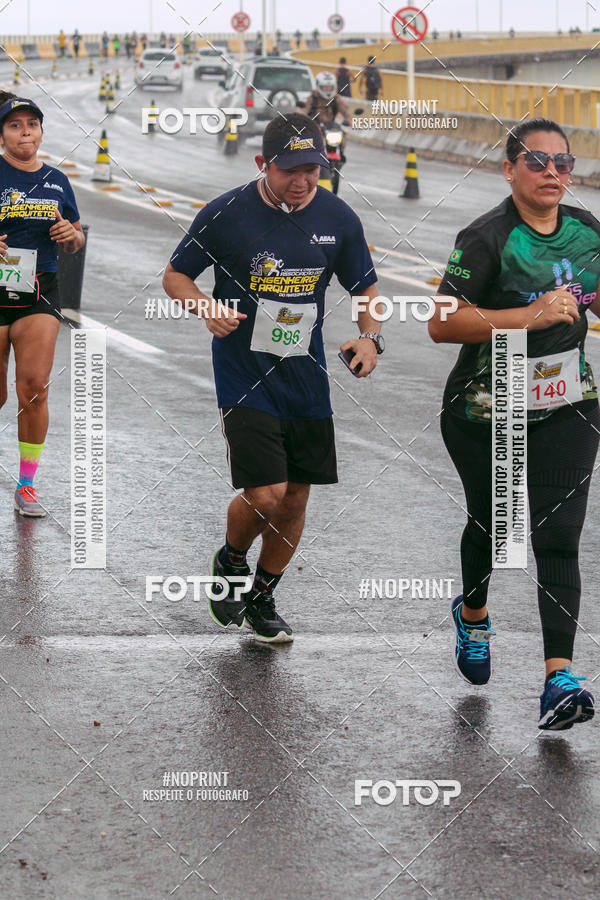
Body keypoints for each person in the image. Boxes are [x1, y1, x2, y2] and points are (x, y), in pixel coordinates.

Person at [163, 114, 382, 642]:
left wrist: (370, 336)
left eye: (314, 169)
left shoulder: (338, 217)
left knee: (296, 499)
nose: (303, 181)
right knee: (265, 495)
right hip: (243, 373)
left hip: (305, 378)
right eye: (291, 170)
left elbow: (366, 291)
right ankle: (231, 559)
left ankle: (263, 598)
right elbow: (175, 276)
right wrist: (205, 307)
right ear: (264, 164)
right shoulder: (226, 212)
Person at [429, 117, 600, 731]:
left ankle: (558, 678)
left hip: (567, 404)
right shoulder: (486, 237)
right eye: (537, 161)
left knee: (558, 533)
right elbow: (442, 323)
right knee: (496, 526)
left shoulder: (586, 233)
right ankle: (473, 616)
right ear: (509, 170)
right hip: (486, 406)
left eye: (564, 163)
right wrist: (526, 315)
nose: (552, 172)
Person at [0, 94, 85, 516]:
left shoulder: (56, 180)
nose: (25, 132)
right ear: (2, 135)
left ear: (41, 131)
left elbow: (75, 234)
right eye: (15, 125)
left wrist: (71, 234)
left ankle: (28, 484)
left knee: (33, 388)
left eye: (31, 124)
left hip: (38, 290)